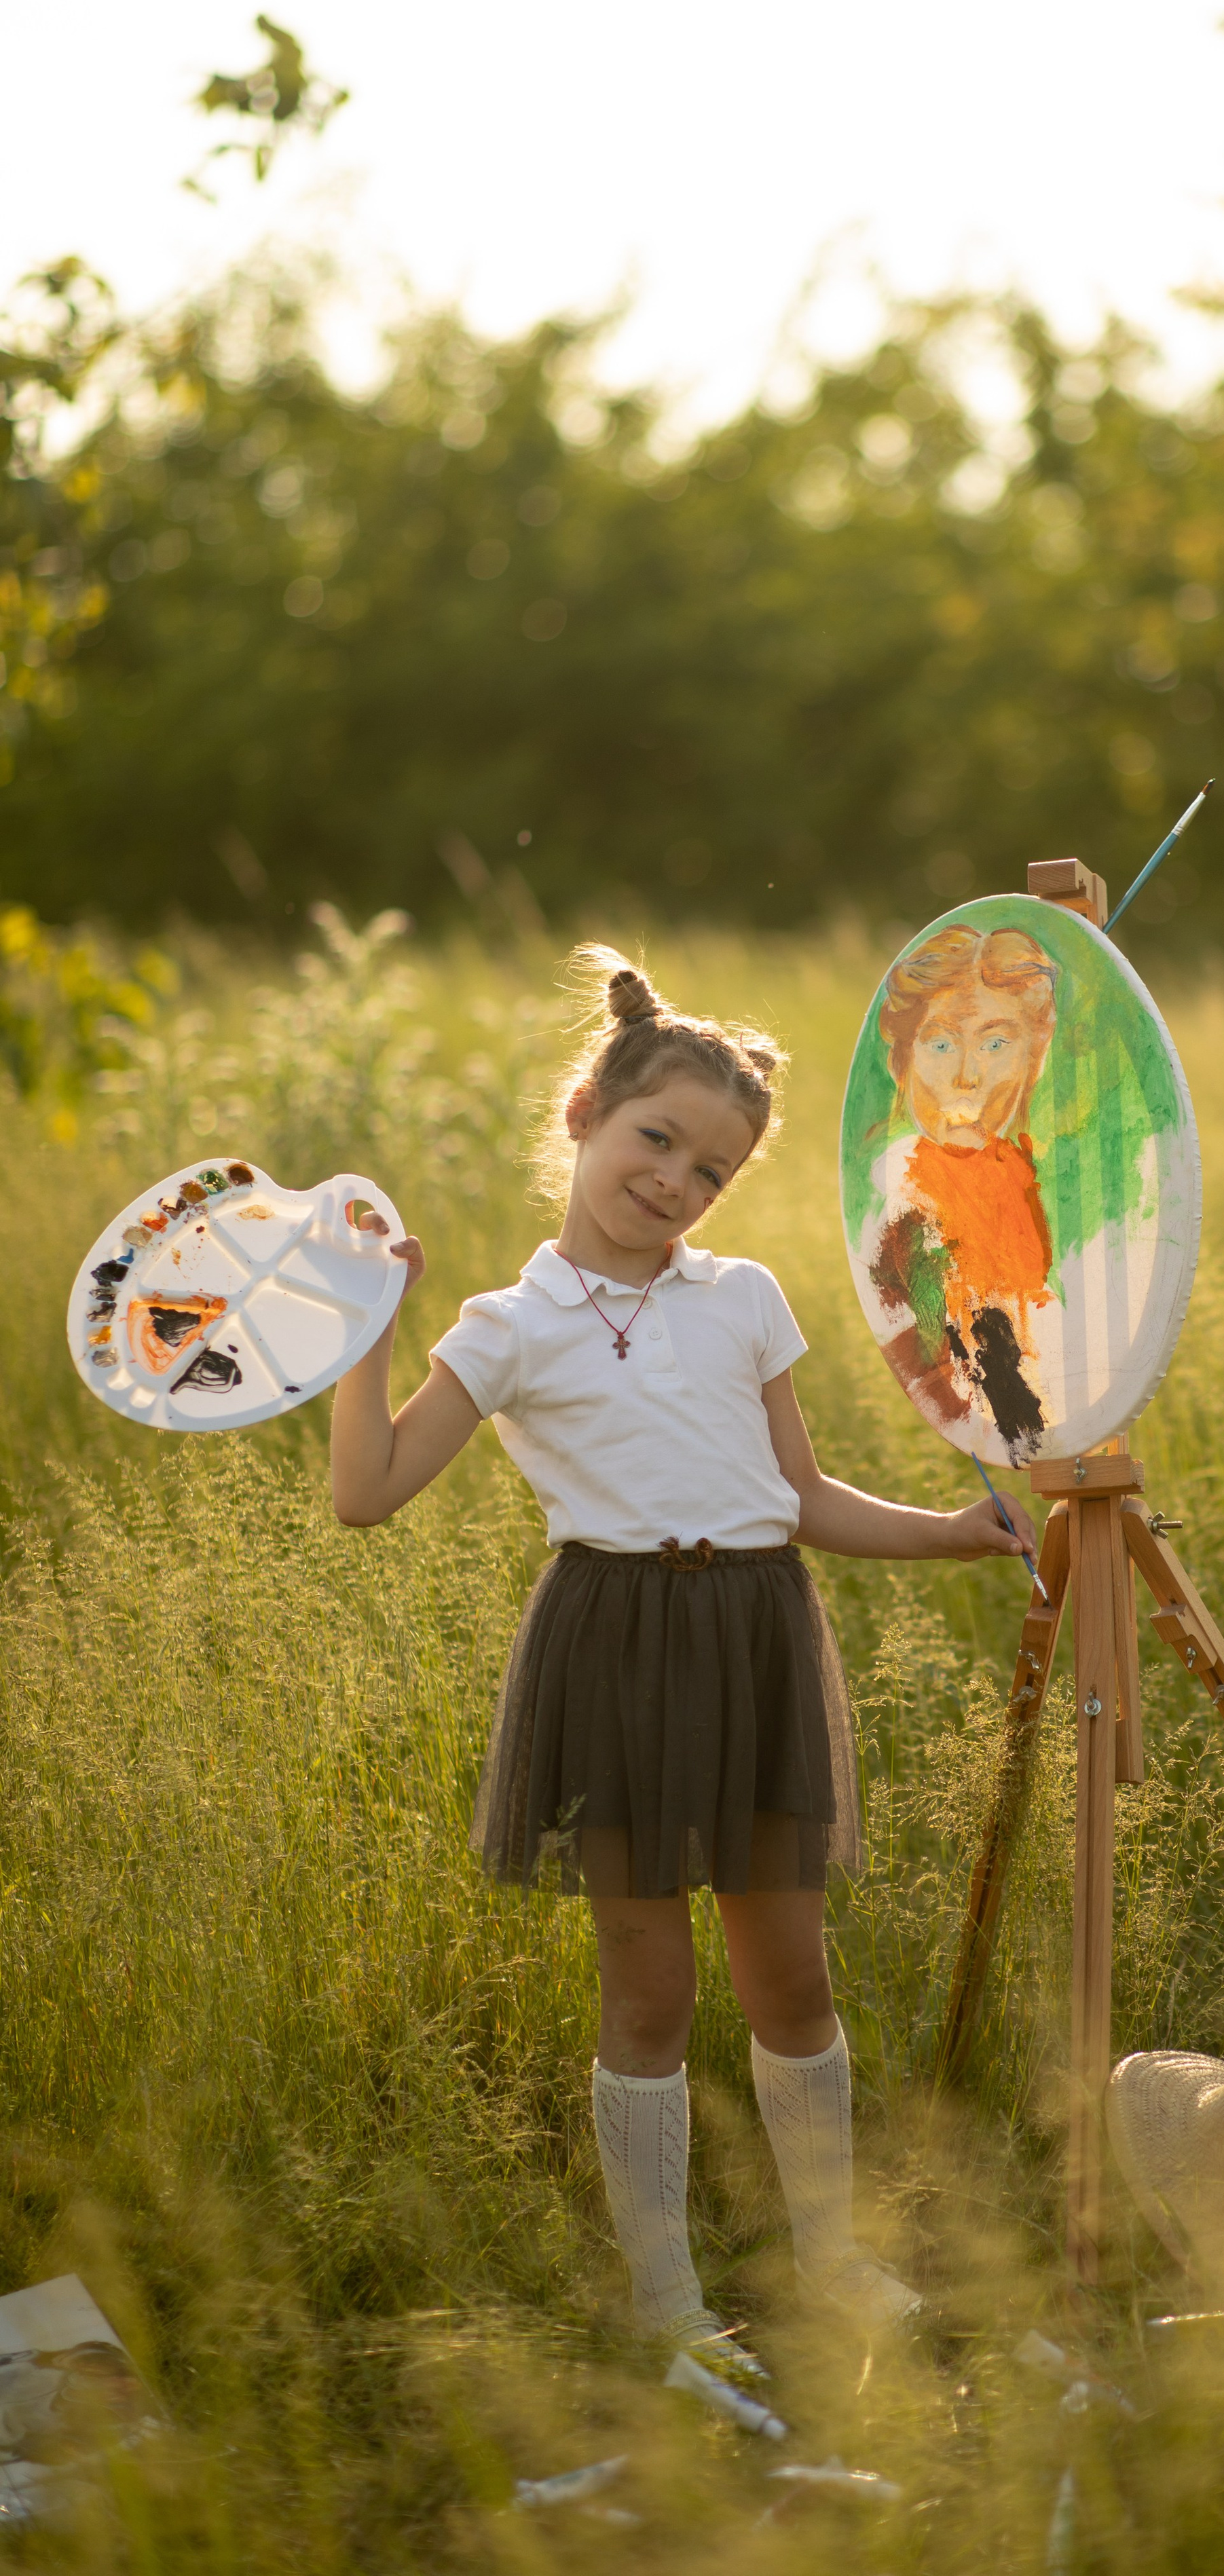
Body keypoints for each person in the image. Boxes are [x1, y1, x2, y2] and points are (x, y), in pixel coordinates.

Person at [330, 947, 1035, 2378]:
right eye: (656, 1139)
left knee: (792, 1986)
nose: (673, 1181)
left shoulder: (740, 1301)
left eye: (709, 1171)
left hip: (759, 1634)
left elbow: (803, 1497)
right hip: (617, 1651)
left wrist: (957, 1531)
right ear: (588, 1110)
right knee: (647, 1993)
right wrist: (361, 1341)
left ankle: (829, 2262)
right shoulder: (506, 1328)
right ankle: (666, 2311)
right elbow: (367, 1489)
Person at [866, 922, 1058, 1461]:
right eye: (942, 1042)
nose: (967, 1076)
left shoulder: (1027, 1176)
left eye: (996, 1043)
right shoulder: (901, 1194)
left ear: (1034, 1058)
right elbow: (929, 1365)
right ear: (902, 1061)